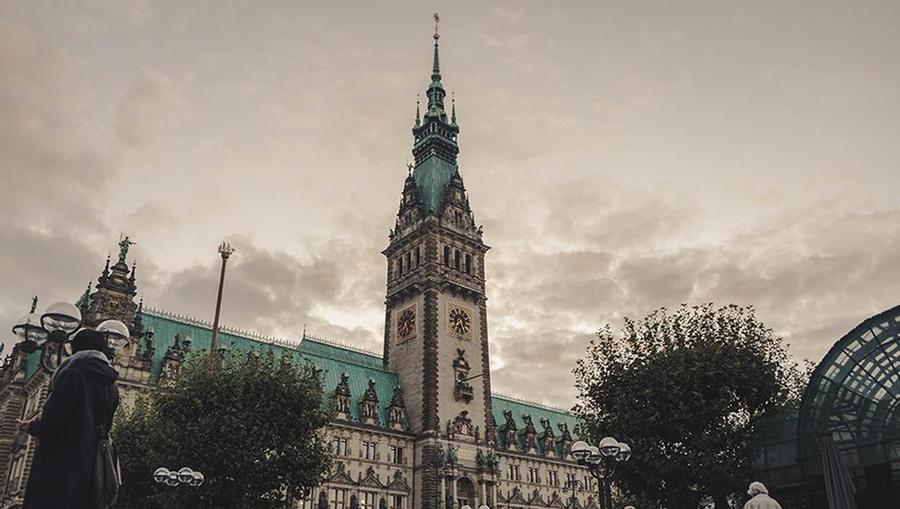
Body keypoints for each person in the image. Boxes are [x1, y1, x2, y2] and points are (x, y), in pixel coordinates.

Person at [20, 329, 120, 509]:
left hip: (63, 464)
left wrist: (32, 427)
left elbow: (54, 424)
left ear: (74, 349)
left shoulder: (71, 374)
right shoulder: (111, 385)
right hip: (94, 466)